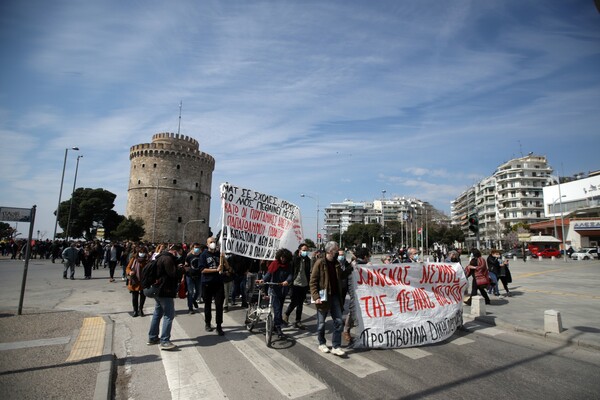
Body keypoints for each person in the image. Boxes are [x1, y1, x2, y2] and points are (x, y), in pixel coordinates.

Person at [310, 241, 351, 356]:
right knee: (321, 323)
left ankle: (336, 346)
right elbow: (313, 281)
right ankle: (322, 343)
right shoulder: (320, 263)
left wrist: (351, 267)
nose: (338, 252)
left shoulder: (336, 263)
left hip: (335, 297)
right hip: (323, 297)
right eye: (336, 250)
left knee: (338, 321)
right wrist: (316, 296)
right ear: (330, 251)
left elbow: (342, 276)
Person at [147, 244, 186, 350]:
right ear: (174, 251)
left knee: (157, 313)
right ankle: (164, 341)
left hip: (158, 289)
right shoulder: (167, 259)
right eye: (179, 253)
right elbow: (173, 274)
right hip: (165, 290)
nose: (178, 256)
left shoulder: (160, 257)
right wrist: (181, 269)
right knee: (169, 315)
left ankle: (153, 337)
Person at [198, 237, 229, 336]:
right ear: (207, 244)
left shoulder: (219, 254)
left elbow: (227, 268)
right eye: (211, 242)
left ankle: (219, 325)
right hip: (207, 283)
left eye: (214, 242)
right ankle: (207, 323)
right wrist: (216, 270)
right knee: (207, 304)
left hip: (218, 283)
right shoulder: (203, 255)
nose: (213, 243)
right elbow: (202, 270)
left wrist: (224, 259)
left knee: (219, 305)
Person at [260, 248, 293, 338]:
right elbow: (269, 274)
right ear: (279, 256)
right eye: (282, 257)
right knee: (277, 309)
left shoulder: (288, 265)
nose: (283, 259)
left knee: (280, 308)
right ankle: (278, 328)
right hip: (274, 289)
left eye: (285, 258)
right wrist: (262, 280)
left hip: (283, 290)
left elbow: (290, 275)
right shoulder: (274, 264)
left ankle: (275, 325)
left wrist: (287, 281)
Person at [283, 243, 311, 330]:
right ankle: (286, 314)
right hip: (295, 284)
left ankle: (298, 321)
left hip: (304, 284)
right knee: (294, 302)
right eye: (304, 250)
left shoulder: (308, 260)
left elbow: (308, 272)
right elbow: (290, 271)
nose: (305, 252)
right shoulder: (294, 259)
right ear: (299, 250)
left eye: (306, 250)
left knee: (300, 303)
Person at [127, 245, 149, 317]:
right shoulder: (134, 259)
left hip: (144, 280)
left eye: (143, 252)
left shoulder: (147, 260)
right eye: (140, 252)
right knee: (134, 296)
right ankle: (135, 310)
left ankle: (141, 309)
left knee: (143, 295)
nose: (142, 253)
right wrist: (130, 272)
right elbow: (128, 268)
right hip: (135, 279)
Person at [184, 243, 205, 314]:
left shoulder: (201, 256)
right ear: (192, 248)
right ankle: (190, 308)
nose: (197, 249)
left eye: (198, 247)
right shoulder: (189, 256)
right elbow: (186, 265)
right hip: (190, 276)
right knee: (190, 292)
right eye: (196, 247)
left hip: (198, 276)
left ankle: (193, 300)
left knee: (198, 291)